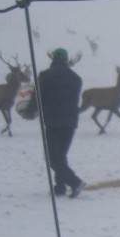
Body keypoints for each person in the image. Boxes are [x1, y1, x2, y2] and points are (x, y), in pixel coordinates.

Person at [38, 47, 85, 198]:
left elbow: (38, 98)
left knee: (53, 158)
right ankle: (60, 186)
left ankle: (75, 182)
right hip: (71, 122)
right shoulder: (76, 78)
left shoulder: (45, 76)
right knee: (61, 155)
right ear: (66, 60)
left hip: (52, 121)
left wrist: (29, 110)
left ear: (53, 59)